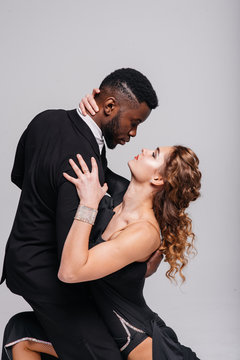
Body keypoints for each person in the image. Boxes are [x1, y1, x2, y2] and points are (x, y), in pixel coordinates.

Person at [0, 68, 162, 360]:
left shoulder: (46, 119)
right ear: (110, 106)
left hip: (22, 258)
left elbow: (20, 175)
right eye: (134, 122)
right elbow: (75, 249)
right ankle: (21, 336)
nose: (134, 133)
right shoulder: (83, 162)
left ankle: (23, 335)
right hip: (48, 272)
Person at [2, 144, 201, 360]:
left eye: (154, 155)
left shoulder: (144, 231)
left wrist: (88, 203)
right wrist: (87, 111)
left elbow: (70, 272)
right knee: (20, 332)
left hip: (137, 344)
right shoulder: (115, 200)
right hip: (98, 329)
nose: (144, 150)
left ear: (158, 180)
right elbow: (94, 156)